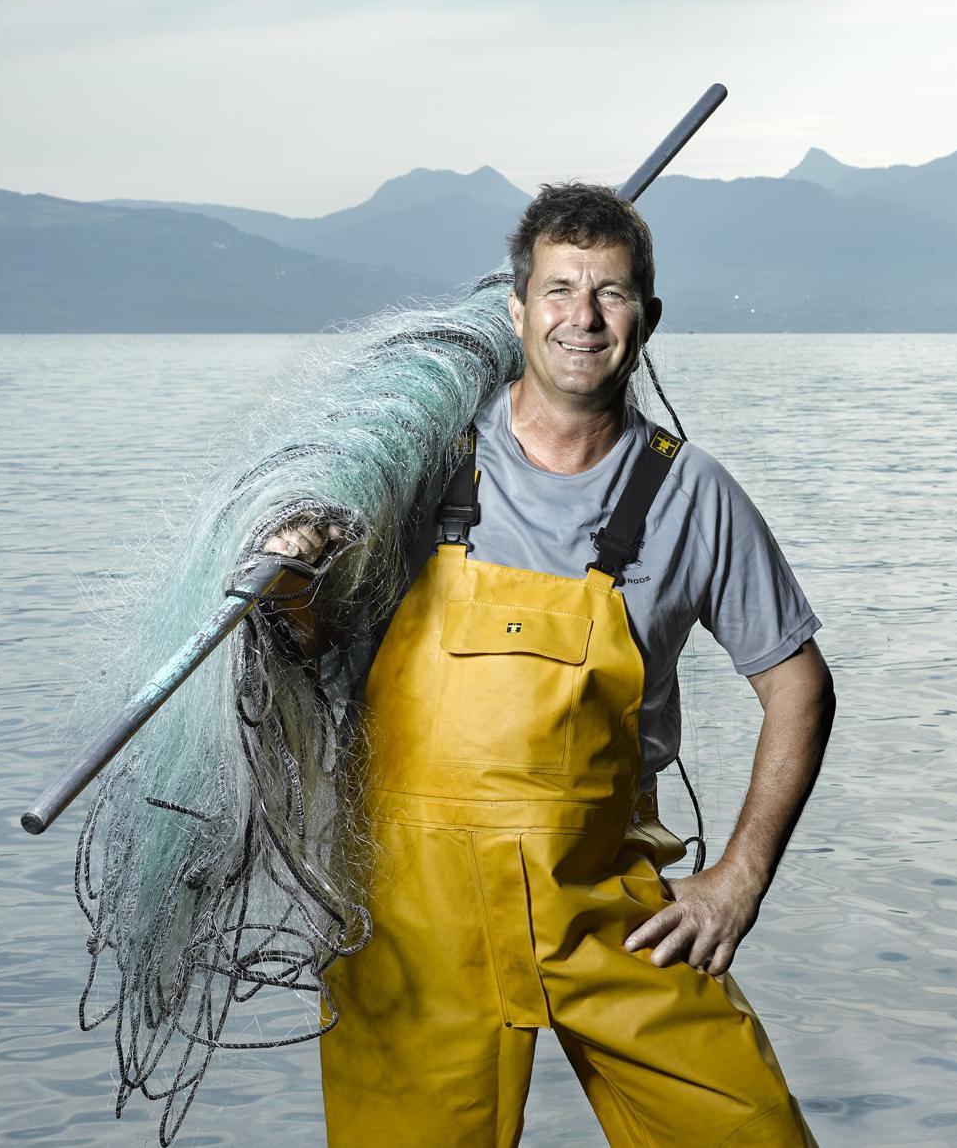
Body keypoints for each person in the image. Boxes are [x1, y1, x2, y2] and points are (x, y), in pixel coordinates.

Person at [269, 182, 835, 1147]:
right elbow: (312, 644)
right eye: (559, 289)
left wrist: (738, 878)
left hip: (604, 908)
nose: (582, 316)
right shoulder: (412, 461)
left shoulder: (689, 490)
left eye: (610, 293)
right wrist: (292, 574)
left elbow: (799, 685)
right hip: (413, 922)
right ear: (515, 310)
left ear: (646, 319)